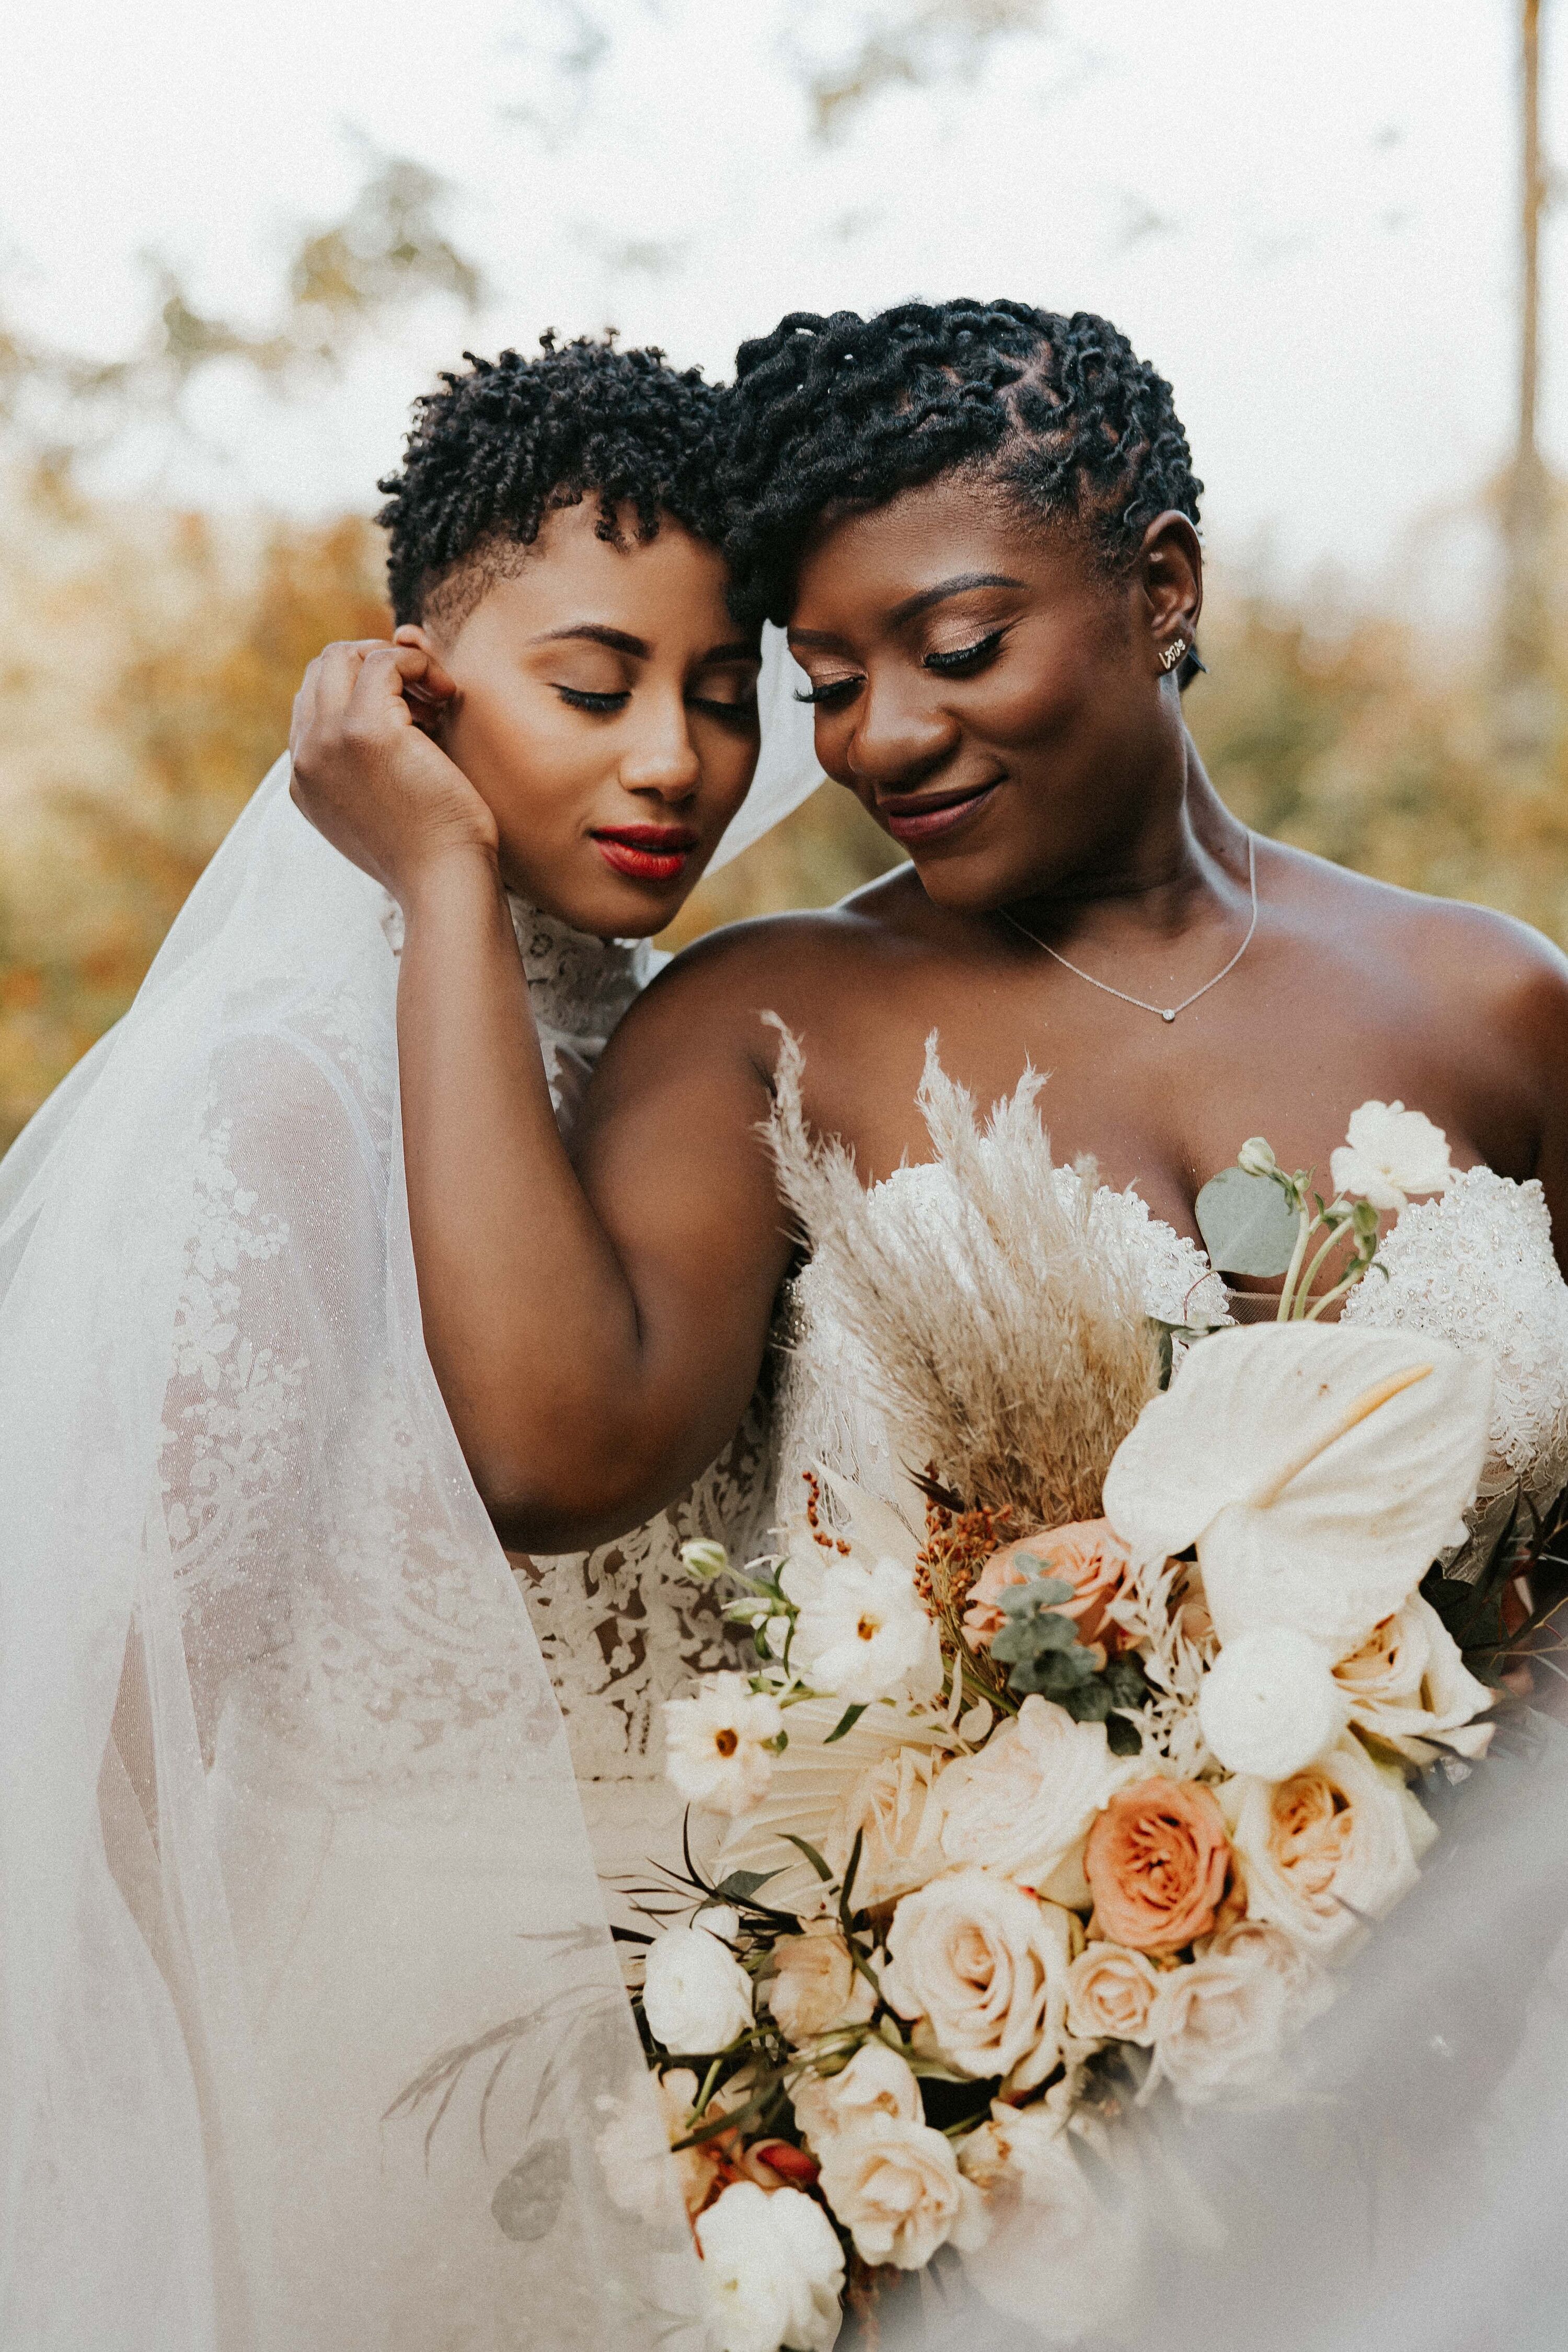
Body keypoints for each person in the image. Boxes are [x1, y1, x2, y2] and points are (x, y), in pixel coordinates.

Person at [0, 331, 818, 2352]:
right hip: (375, 2067)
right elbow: (115, 1736)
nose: (673, 763)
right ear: (413, 688)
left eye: (723, 699)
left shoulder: (691, 1052)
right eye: (593, 684)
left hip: (732, 2041)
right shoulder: (277, 1095)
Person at [288, 297, 1568, 1574]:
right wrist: (444, 866)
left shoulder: (1496, 998)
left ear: (1164, 588)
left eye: (959, 649)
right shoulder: (764, 1026)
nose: (880, 739)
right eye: (831, 686)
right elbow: (546, 1461)